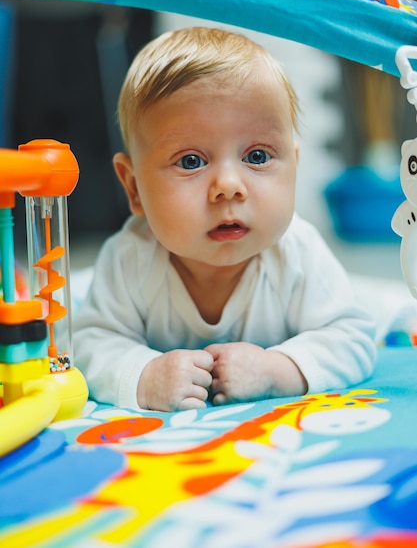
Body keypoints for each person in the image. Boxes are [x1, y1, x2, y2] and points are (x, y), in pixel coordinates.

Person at [73, 26, 376, 412]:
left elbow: (352, 336)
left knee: (378, 307)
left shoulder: (298, 252)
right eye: (191, 161)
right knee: (74, 301)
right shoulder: (129, 259)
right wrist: (144, 375)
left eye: (257, 156)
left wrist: (276, 369)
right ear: (134, 188)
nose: (229, 186)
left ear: (294, 167)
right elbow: (87, 344)